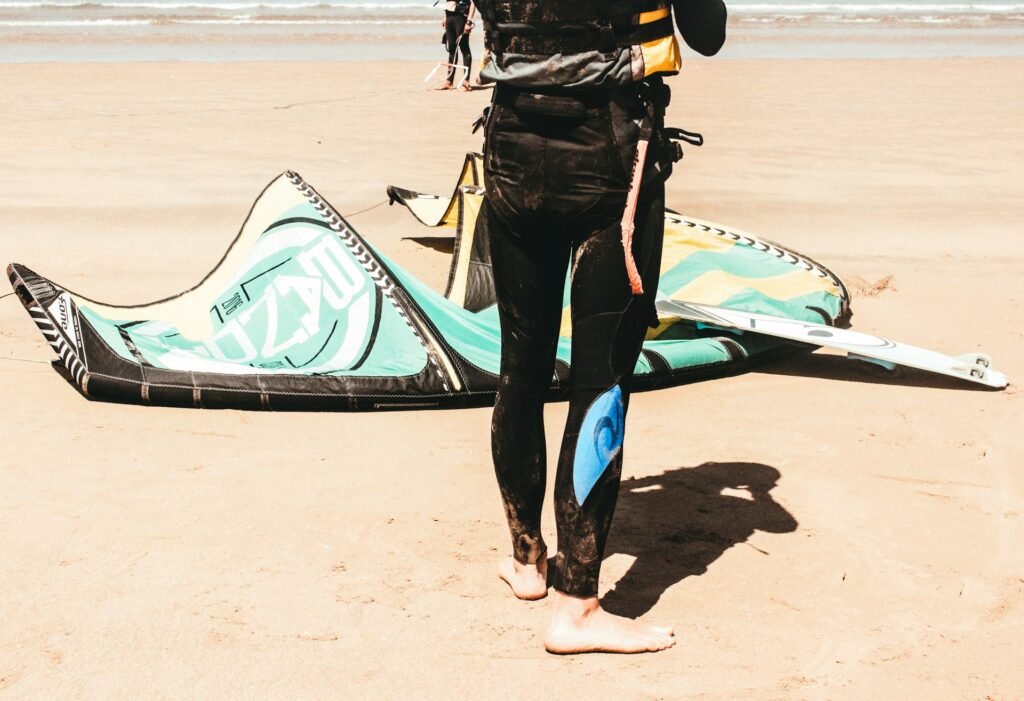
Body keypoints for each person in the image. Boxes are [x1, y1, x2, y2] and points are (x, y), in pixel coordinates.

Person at [474, 0, 727, 654]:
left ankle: (528, 559)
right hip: (613, 158)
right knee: (600, 384)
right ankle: (577, 605)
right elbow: (707, 33)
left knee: (520, 368)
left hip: (512, 147)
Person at [441, 0, 475, 90]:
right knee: (452, 50)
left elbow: (473, 3)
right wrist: (445, 16)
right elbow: (449, 3)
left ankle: (466, 82)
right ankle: (449, 81)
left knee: (464, 49)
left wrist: (469, 21)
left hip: (461, 17)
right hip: (450, 17)